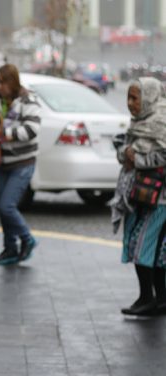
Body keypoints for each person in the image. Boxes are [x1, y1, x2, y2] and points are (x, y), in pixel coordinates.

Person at [112, 77, 166, 316]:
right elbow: (124, 154)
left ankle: (148, 298)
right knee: (150, 248)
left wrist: (138, 158)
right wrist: (127, 153)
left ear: (149, 97)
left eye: (136, 98)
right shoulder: (138, 123)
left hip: (160, 199)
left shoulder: (161, 122)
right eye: (129, 97)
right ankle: (158, 299)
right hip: (138, 195)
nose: (130, 103)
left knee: (144, 246)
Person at [0, 64, 40, 266]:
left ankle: (27, 239)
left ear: (12, 82)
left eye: (2, 82)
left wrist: (4, 134)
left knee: (6, 206)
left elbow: (32, 130)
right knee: (2, 209)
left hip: (23, 162)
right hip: (2, 162)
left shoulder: (29, 100)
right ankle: (10, 248)